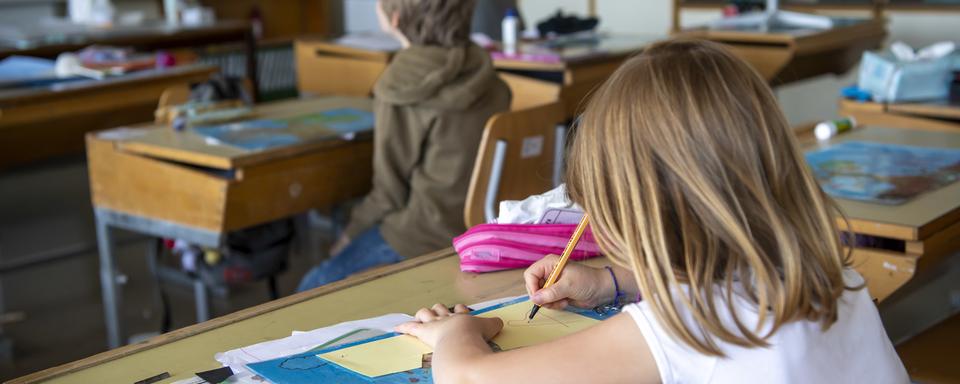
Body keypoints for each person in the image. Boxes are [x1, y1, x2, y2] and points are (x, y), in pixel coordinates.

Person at [394, 39, 909, 383]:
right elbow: (717, 272)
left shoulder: (685, 326)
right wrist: (613, 283)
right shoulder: (826, 277)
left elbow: (470, 377)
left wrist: (455, 333)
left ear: (638, 211)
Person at [298, 0, 511, 292]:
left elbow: (388, 193)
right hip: (481, 229)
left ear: (395, 18)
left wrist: (348, 237)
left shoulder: (398, 87)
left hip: (423, 235)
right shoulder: (488, 75)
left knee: (311, 287)